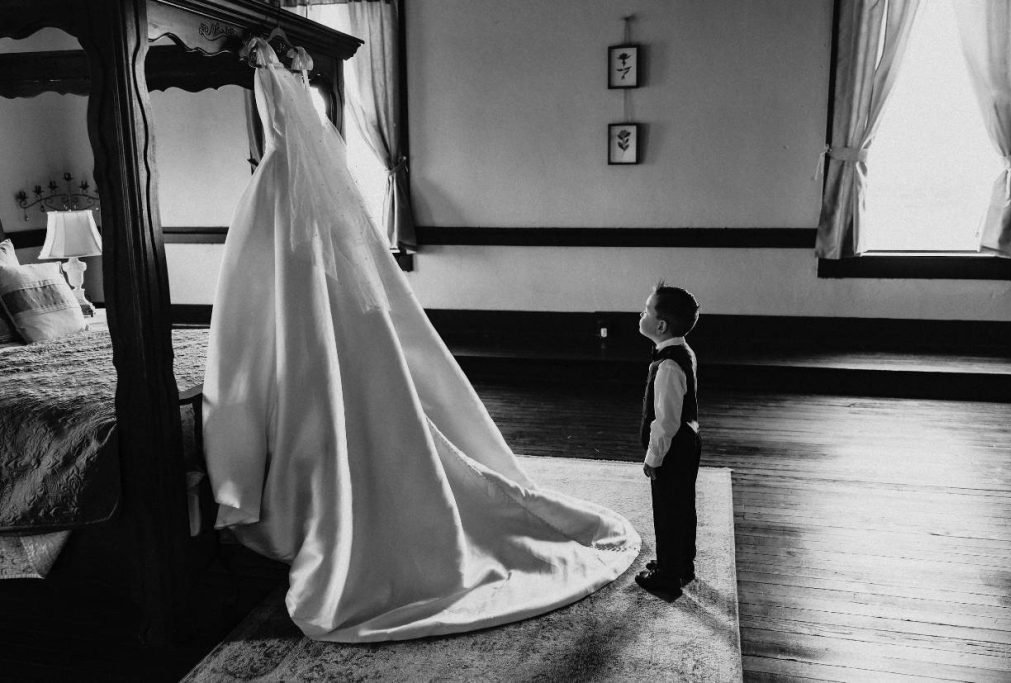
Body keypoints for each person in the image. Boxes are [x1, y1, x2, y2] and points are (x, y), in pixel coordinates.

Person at [202, 37, 639, 643]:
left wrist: (266, 70)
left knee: (274, 327)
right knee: (291, 326)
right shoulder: (298, 87)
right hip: (296, 198)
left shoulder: (275, 89)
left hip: (284, 198)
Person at [634, 282, 702, 599]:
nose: (641, 313)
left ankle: (668, 575)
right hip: (689, 442)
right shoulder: (682, 351)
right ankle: (681, 564)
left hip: (673, 450)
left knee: (667, 511)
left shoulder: (669, 366)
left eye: (647, 310)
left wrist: (653, 458)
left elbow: (665, 423)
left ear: (660, 325)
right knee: (682, 507)